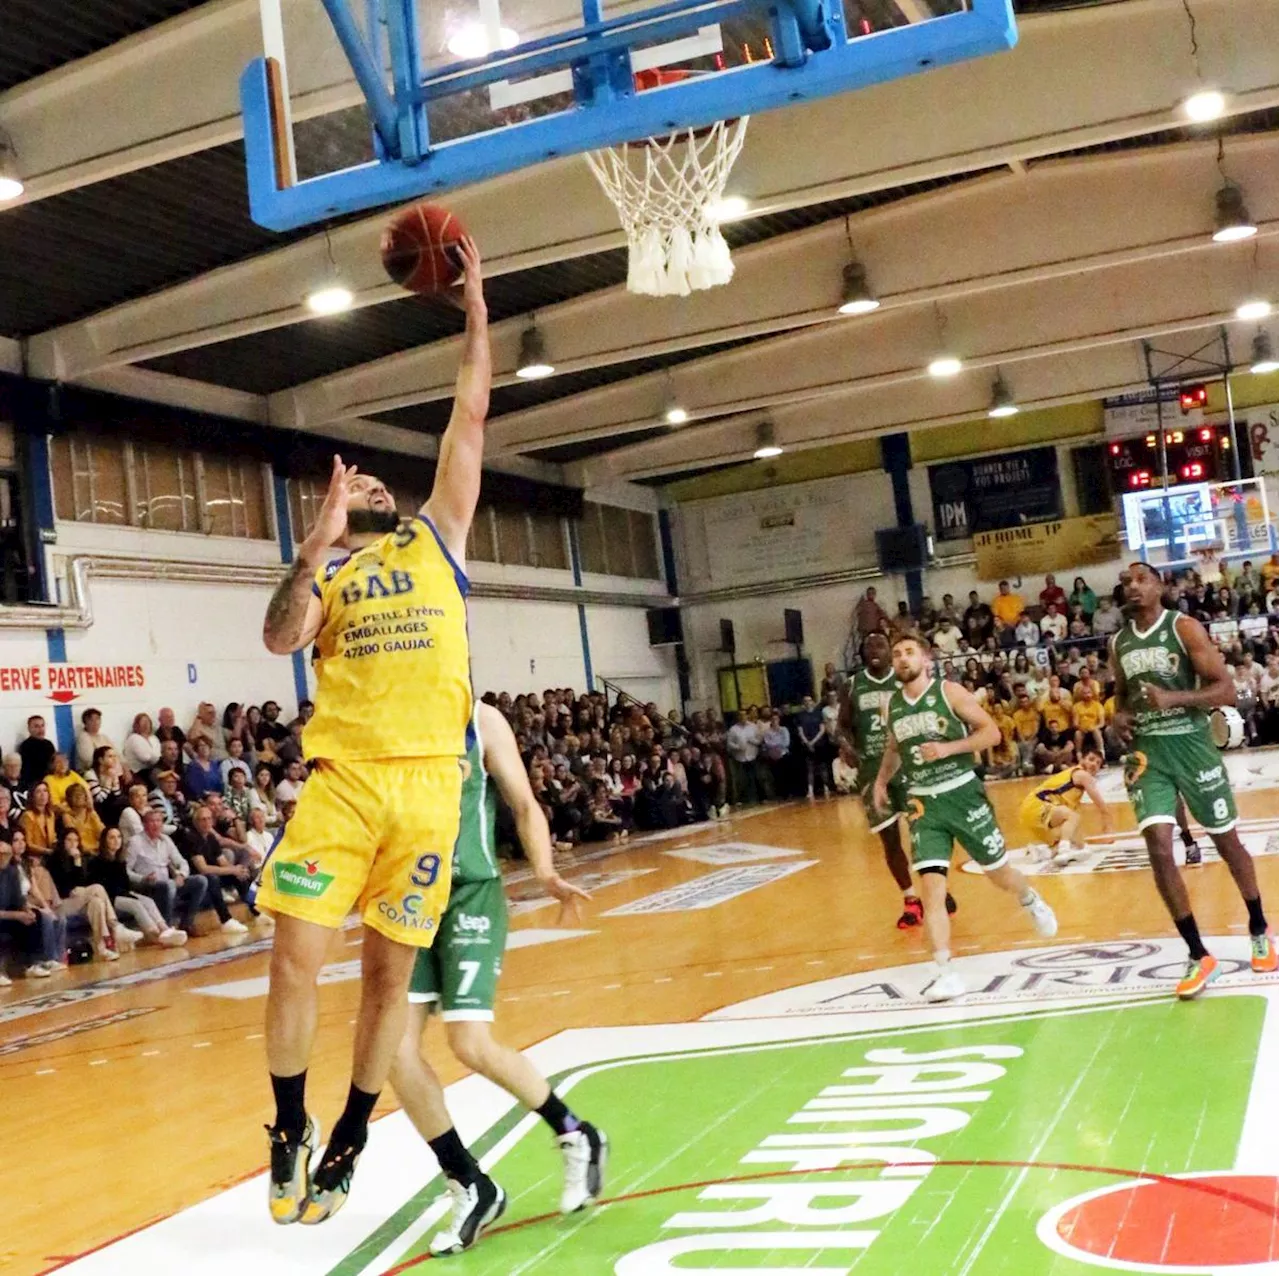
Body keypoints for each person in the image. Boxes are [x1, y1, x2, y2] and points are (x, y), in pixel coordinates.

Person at [256, 234, 489, 1227]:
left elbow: (469, 415)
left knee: (387, 982)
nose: (374, 494)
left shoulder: (440, 534)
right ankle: (286, 1124)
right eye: (357, 494)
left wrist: (476, 311)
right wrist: (310, 547)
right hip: (344, 782)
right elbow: (277, 637)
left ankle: (352, 1129)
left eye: (377, 488)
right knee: (293, 955)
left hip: (431, 785)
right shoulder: (334, 575)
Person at [390, 702, 604, 1255]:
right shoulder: (383, 714)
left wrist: (547, 872)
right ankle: (471, 1183)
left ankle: (574, 1130)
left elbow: (525, 804)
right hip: (404, 897)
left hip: (469, 892)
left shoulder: (480, 721)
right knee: (393, 1050)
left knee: (469, 1043)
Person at [1112, 561, 1277, 998]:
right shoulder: (1119, 642)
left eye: (1141, 579)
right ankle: (1198, 954)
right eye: (1126, 581)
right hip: (1148, 755)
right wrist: (1120, 718)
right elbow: (1120, 699)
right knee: (1160, 847)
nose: (1132, 586)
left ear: (1160, 586)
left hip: (1192, 745)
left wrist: (1174, 697)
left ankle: (1259, 926)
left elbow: (1226, 691)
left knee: (1227, 843)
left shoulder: (1183, 628)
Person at [873, 631, 1057, 1002]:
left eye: (909, 652)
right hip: (923, 805)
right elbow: (894, 747)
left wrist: (947, 749)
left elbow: (990, 733)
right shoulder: (892, 706)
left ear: (926, 660)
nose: (903, 659)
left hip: (962, 794)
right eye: (897, 654)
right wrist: (880, 782)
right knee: (931, 888)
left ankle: (1029, 897)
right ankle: (945, 970)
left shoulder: (950, 693)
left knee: (999, 874)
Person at [845, 632, 955, 929]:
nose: (874, 650)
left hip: (907, 767)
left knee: (925, 831)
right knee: (889, 839)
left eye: (880, 645)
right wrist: (846, 746)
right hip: (871, 772)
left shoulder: (906, 680)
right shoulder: (853, 685)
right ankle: (910, 900)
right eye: (868, 646)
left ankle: (937, 890)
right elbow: (842, 726)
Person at [88, 825, 186, 947]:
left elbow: (125, 883)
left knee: (148, 901)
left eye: (119, 837)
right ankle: (155, 934)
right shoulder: (97, 861)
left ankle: (165, 929)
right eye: (112, 837)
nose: (116, 840)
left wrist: (134, 891)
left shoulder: (120, 860)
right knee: (136, 904)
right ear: (104, 840)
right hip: (109, 898)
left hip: (124, 893)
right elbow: (103, 886)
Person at [1018, 747, 1114, 865]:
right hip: (1036, 805)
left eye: (1098, 763)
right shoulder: (1082, 774)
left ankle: (1041, 852)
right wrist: (1108, 826)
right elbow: (1101, 806)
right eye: (1091, 759)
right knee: (1073, 817)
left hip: (1032, 814)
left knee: (1077, 843)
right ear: (1082, 760)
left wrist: (1083, 843)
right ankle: (1064, 851)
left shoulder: (1074, 791)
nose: (1094, 764)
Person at [0, 832, 64, 977]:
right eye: (1, 854)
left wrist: (25, 911)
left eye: (7, 854)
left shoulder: (12, 872)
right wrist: (17, 914)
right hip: (3, 915)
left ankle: (33, 964)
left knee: (34, 917)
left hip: (8, 914)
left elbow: (18, 899)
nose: (4, 858)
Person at [61, 781, 106, 854]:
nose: (78, 796)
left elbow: (102, 833)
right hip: (80, 852)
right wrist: (89, 851)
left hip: (97, 851)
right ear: (69, 799)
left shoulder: (91, 813)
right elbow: (73, 839)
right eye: (74, 794)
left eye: (81, 794)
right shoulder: (67, 816)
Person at [18, 716, 56, 790]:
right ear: (29, 729)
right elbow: (28, 772)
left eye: (42, 725)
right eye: (36, 726)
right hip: (35, 784)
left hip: (51, 780)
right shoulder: (26, 746)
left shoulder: (48, 744)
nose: (41, 729)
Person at [123, 712, 163, 783]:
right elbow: (145, 758)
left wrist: (153, 757)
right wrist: (154, 757)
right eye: (143, 722)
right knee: (158, 774)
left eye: (148, 721)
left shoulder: (153, 738)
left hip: (152, 768)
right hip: (138, 772)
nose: (146, 724)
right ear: (137, 725)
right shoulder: (134, 738)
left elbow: (158, 755)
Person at [19, 781, 57, 853]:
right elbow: (28, 844)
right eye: (38, 792)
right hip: (33, 855)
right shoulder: (28, 816)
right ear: (32, 796)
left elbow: (52, 837)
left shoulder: (51, 815)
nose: (43, 794)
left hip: (48, 854)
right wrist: (47, 851)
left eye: (45, 791)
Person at [75, 708, 114, 774]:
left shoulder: (104, 737)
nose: (95, 722)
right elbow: (89, 761)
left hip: (110, 770)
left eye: (98, 719)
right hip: (92, 773)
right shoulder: (83, 737)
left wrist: (125, 767)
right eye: (91, 720)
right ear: (85, 722)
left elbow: (117, 754)